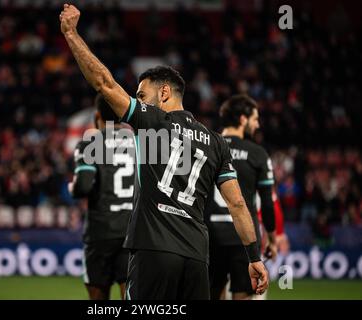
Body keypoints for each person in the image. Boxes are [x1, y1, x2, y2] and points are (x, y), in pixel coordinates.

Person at [60, 4, 268, 300]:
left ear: (165, 93)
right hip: (197, 258)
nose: (139, 101)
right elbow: (237, 205)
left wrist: (71, 34)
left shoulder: (151, 121)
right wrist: (254, 257)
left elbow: (104, 83)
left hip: (153, 252)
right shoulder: (215, 141)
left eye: (142, 95)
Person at [205, 94, 277, 300]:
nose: (257, 125)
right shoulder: (258, 154)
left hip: (210, 237)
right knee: (243, 296)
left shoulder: (206, 147)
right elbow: (268, 204)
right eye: (255, 119)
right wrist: (271, 239)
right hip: (244, 239)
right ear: (243, 120)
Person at [69, 94, 135, 300]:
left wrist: (73, 188)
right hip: (132, 233)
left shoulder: (90, 143)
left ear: (97, 116)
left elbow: (84, 186)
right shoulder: (143, 144)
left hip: (100, 231)